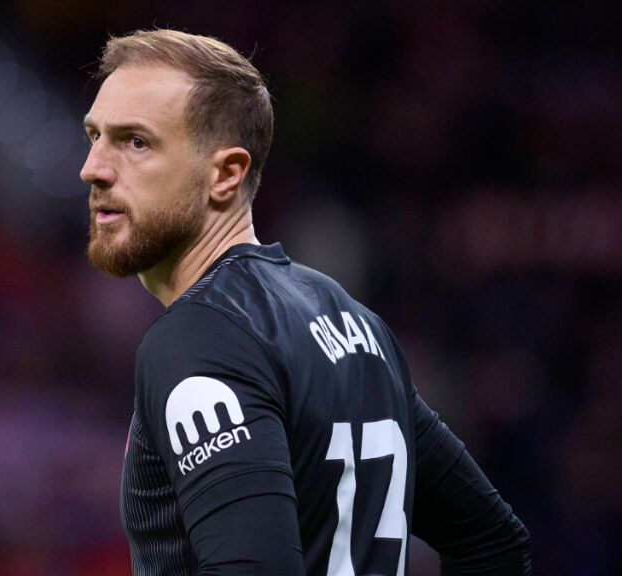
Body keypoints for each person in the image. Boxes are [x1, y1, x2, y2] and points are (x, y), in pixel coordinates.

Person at [80, 29, 531, 575]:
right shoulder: (355, 323)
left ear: (225, 174)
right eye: (95, 135)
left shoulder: (201, 336)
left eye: (135, 142)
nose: (94, 168)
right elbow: (492, 541)